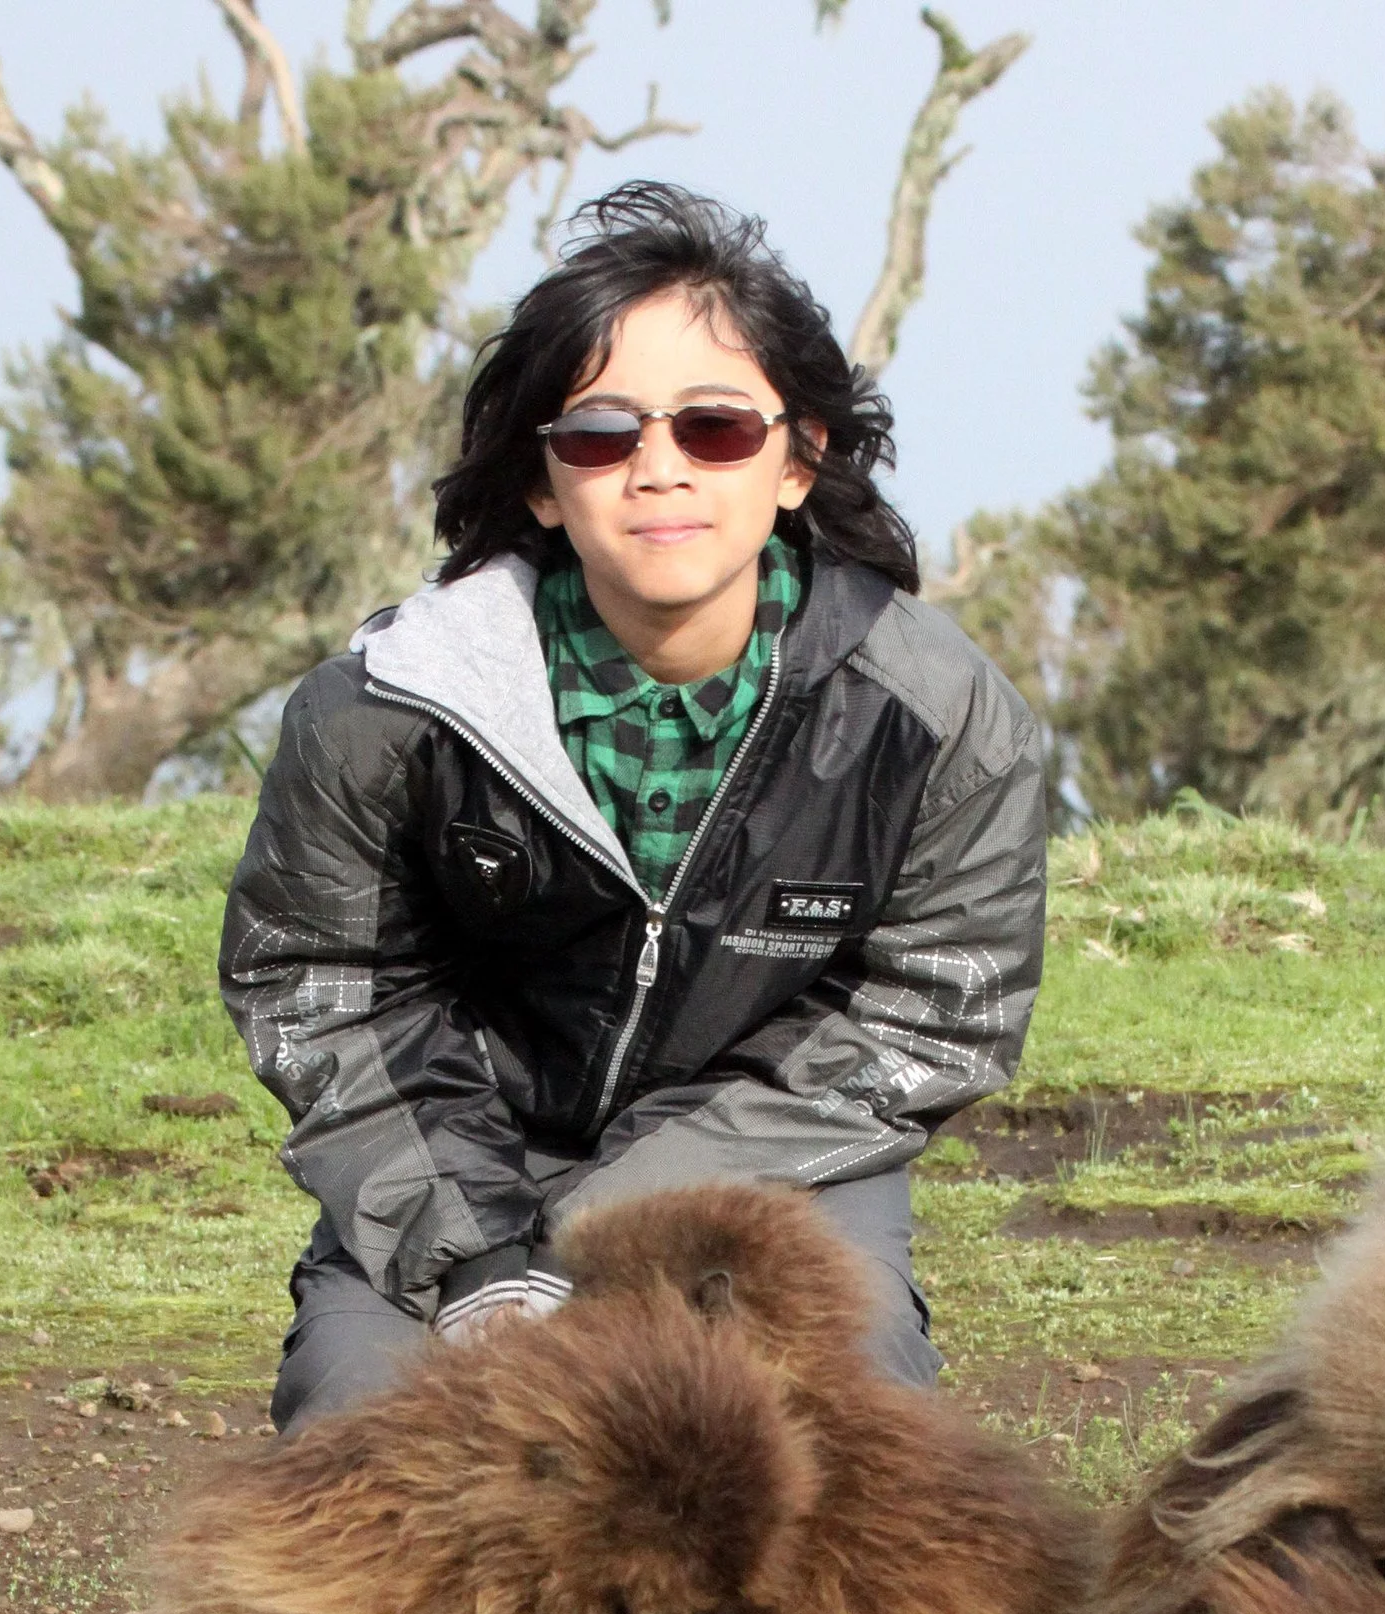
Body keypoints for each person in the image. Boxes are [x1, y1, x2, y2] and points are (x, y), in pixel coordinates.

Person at [220, 181, 1049, 1430]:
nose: (658, 470)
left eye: (713, 429)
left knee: (861, 1422)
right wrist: (481, 1256)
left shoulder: (939, 717)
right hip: (452, 1176)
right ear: (543, 482)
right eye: (601, 436)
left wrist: (613, 1228)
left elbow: (935, 1010)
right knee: (361, 1432)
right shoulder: (381, 712)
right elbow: (322, 982)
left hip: (779, 1172)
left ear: (796, 460)